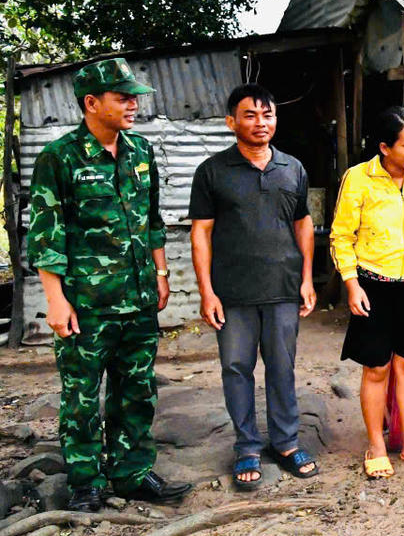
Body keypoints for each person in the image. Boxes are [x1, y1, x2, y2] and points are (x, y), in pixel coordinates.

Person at [27, 58, 192, 512]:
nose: (133, 104)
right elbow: (46, 238)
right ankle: (85, 481)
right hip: (87, 306)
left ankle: (132, 473)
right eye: (123, 97)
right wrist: (55, 302)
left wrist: (161, 274)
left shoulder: (140, 153)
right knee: (81, 397)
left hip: (138, 300)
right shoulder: (58, 158)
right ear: (92, 103)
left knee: (136, 391)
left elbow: (152, 220)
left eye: (134, 96)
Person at [189, 84, 319, 490]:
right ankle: (246, 445)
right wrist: (206, 290)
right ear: (232, 122)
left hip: (282, 287)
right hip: (233, 292)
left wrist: (308, 278)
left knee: (282, 368)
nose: (261, 123)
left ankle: (285, 442)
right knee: (236, 369)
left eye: (268, 115)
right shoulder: (212, 171)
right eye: (250, 115)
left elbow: (303, 224)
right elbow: (201, 234)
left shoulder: (292, 168)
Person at [329, 107, 404, 477]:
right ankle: (376, 445)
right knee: (376, 369)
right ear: (384, 147)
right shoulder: (359, 179)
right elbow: (341, 236)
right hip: (372, 286)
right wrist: (351, 283)